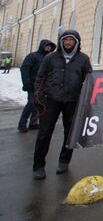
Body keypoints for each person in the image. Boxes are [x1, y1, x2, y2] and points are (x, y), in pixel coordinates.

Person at [32, 30, 92, 180]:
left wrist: (86, 97)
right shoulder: (50, 58)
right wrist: (38, 96)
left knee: (70, 133)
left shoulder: (83, 59)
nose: (68, 43)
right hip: (51, 100)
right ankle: (38, 166)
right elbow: (40, 77)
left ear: (77, 42)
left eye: (71, 40)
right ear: (61, 42)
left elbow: (89, 79)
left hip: (72, 101)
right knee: (44, 133)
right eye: (65, 40)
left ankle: (64, 160)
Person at [18, 39, 56, 133]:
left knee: (39, 105)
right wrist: (27, 84)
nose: (48, 48)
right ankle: (22, 124)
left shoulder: (49, 58)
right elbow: (25, 69)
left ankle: (33, 123)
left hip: (44, 86)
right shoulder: (32, 56)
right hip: (32, 85)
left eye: (50, 46)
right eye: (47, 46)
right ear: (42, 46)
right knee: (31, 104)